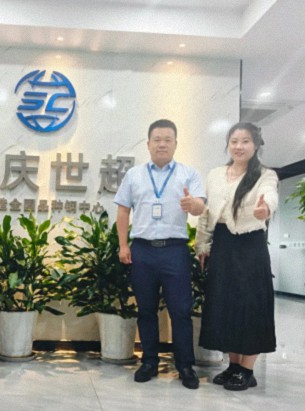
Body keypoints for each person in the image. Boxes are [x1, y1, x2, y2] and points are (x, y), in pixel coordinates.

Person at [114, 119, 206, 389]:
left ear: (176, 144)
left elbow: (200, 207)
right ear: (148, 144)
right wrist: (123, 245)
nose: (162, 144)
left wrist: (193, 204)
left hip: (175, 250)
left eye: (167, 139)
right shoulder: (134, 175)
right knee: (146, 310)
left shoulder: (188, 174)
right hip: (142, 250)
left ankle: (185, 365)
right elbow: (123, 210)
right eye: (157, 139)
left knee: (181, 311)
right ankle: (149, 362)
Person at [195, 122, 278, 391]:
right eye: (234, 141)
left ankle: (247, 369)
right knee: (226, 304)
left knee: (251, 306)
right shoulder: (216, 174)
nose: (239, 146)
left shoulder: (265, 175)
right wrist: (202, 246)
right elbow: (207, 213)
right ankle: (233, 365)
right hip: (223, 245)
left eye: (245, 141)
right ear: (228, 145)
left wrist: (265, 210)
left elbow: (270, 196)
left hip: (250, 245)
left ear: (255, 145)